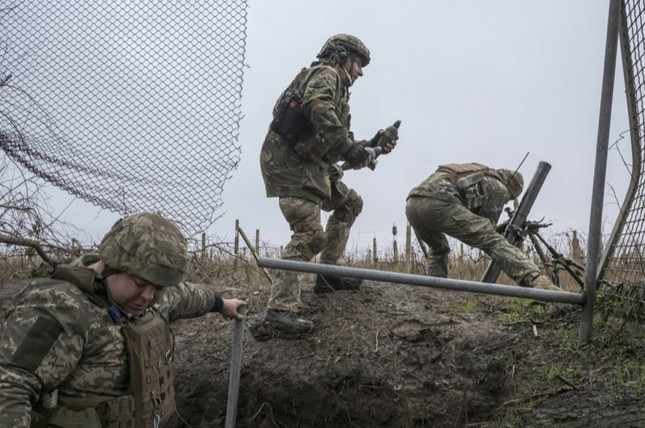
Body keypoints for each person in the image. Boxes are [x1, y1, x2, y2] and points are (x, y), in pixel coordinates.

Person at [0, 212, 246, 427]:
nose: (148, 296)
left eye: (158, 288)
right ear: (109, 265)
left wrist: (222, 304)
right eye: (139, 283)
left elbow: (187, 297)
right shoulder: (61, 308)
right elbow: (9, 388)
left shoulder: (152, 298)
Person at [259, 33, 398, 333]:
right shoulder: (327, 74)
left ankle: (328, 275)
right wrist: (348, 147)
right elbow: (317, 106)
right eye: (358, 63)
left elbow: (335, 144)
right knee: (310, 234)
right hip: (290, 165)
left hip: (312, 165)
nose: (360, 72)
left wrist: (370, 145)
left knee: (350, 203)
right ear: (341, 57)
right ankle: (279, 310)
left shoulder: (338, 90)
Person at [405, 162, 561, 291]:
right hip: (440, 203)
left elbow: (477, 224)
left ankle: (434, 291)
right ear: (511, 188)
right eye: (509, 198)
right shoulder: (499, 187)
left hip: (412, 204)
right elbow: (488, 233)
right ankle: (537, 281)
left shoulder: (478, 173)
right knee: (494, 242)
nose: (506, 201)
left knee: (438, 249)